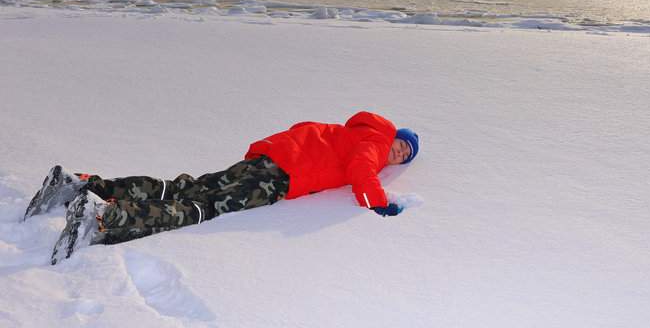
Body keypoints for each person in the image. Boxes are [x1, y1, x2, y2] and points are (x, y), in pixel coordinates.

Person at [21, 111, 419, 264]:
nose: (398, 154)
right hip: (279, 177)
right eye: (402, 146)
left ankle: (83, 186)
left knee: (187, 188)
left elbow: (302, 129)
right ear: (393, 135)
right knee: (205, 208)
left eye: (405, 155)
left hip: (267, 158)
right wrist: (379, 204)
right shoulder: (376, 140)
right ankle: (103, 219)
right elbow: (361, 172)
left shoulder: (352, 130)